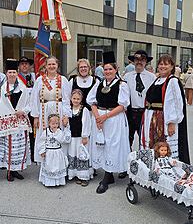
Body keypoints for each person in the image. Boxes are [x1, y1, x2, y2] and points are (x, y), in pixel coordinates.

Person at [87, 51, 131, 194]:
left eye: (110, 69)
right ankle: (109, 175)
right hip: (99, 117)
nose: (107, 71)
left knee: (112, 145)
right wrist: (97, 117)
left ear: (116, 69)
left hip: (114, 118)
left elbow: (123, 106)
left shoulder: (122, 84)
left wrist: (105, 117)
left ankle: (107, 177)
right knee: (101, 145)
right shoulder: (98, 84)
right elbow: (91, 101)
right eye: (105, 69)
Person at [141, 54, 190, 164]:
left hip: (163, 120)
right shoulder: (158, 79)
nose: (162, 66)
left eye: (166, 64)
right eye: (161, 64)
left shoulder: (172, 81)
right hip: (152, 117)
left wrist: (172, 122)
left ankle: (166, 169)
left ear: (172, 67)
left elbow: (176, 103)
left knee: (164, 145)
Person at [0, 59, 32, 181]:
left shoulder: (23, 87)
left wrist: (23, 111)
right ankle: (9, 171)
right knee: (9, 147)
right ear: (6, 74)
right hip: (8, 123)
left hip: (20, 121)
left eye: (14, 72)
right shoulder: (2, 89)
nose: (12, 74)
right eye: (10, 72)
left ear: (17, 73)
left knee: (18, 147)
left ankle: (15, 170)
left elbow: (30, 104)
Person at [30, 56, 72, 163]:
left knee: (58, 134)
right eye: (49, 64)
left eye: (54, 64)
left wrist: (66, 115)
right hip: (44, 109)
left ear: (57, 66)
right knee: (44, 135)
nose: (51, 66)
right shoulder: (39, 80)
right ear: (46, 66)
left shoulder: (63, 80)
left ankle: (60, 164)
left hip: (59, 109)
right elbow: (34, 98)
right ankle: (45, 166)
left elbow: (67, 99)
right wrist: (35, 116)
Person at [123, 50, 156, 150]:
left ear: (146, 62)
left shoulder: (152, 77)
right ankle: (127, 160)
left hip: (144, 112)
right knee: (127, 139)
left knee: (145, 139)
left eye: (142, 60)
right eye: (137, 59)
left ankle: (143, 161)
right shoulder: (127, 77)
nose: (139, 62)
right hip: (130, 112)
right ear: (133, 61)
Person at [67, 89, 92, 186]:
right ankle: (75, 174)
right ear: (71, 99)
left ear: (81, 99)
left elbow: (86, 123)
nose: (76, 100)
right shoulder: (69, 109)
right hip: (72, 138)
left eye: (78, 99)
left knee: (81, 155)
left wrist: (85, 136)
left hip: (81, 138)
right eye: (74, 98)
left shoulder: (84, 110)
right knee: (73, 154)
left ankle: (84, 176)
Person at [38, 114, 71, 187]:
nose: (55, 125)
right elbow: (41, 142)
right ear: (49, 123)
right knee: (49, 166)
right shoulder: (46, 132)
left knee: (57, 166)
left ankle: (58, 181)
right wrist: (42, 151)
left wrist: (56, 133)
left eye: (56, 123)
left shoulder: (59, 131)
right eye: (53, 124)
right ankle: (49, 182)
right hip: (49, 153)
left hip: (57, 152)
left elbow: (62, 140)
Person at [17, 56, 36, 162]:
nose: (24, 66)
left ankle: (33, 154)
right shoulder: (16, 78)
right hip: (22, 110)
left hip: (33, 109)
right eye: (22, 64)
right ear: (19, 66)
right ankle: (23, 155)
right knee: (23, 134)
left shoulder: (34, 77)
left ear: (30, 66)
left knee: (34, 133)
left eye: (26, 64)